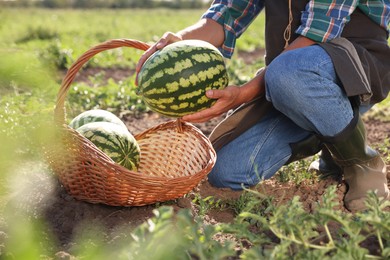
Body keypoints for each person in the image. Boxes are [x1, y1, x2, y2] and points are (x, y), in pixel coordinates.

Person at [135, 0, 390, 212]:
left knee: (288, 72)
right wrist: (180, 39)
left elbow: (315, 33)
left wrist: (242, 94)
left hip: (353, 67)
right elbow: (225, 16)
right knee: (226, 172)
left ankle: (362, 163)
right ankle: (330, 136)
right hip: (288, 82)